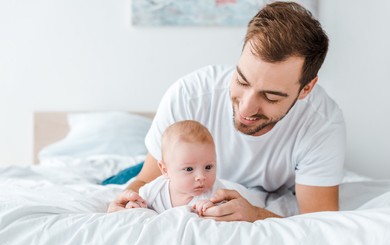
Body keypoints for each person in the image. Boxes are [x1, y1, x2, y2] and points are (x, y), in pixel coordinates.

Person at [108, 1, 346, 222]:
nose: (246, 107)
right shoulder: (189, 96)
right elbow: (147, 180)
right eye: (242, 81)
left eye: (270, 96)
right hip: (182, 169)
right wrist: (127, 200)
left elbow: (319, 223)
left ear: (306, 89)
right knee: (117, 179)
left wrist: (255, 214)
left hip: (276, 188)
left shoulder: (321, 123)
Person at [124, 120, 265, 215]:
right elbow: (137, 202)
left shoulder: (215, 194)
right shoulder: (154, 190)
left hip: (244, 193)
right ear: (165, 170)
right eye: (189, 169)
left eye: (208, 167)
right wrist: (135, 205)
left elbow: (229, 212)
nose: (201, 177)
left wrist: (213, 209)